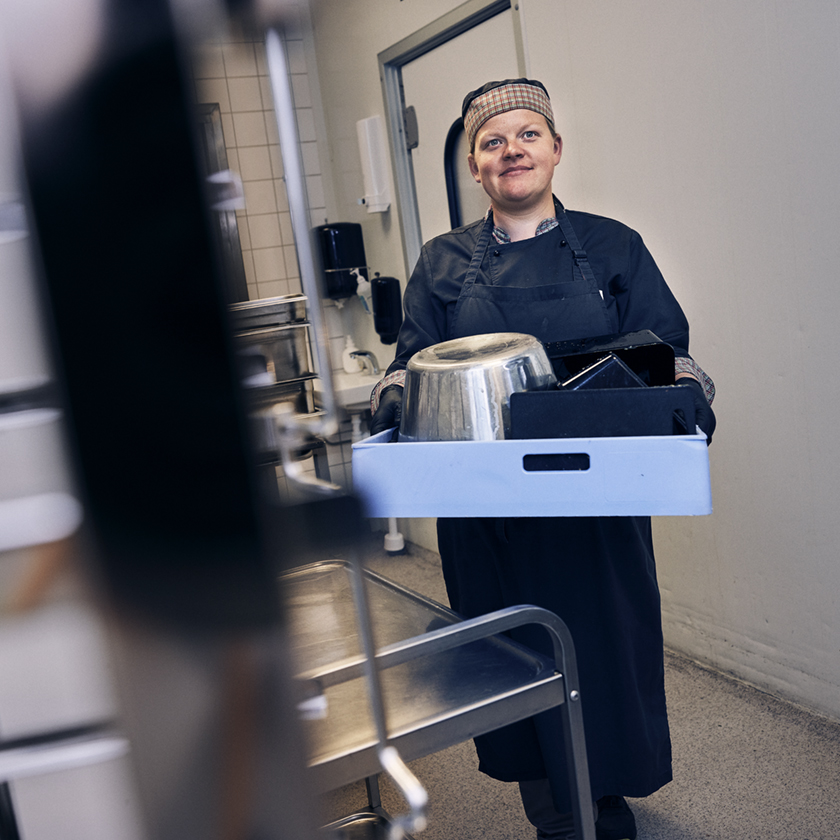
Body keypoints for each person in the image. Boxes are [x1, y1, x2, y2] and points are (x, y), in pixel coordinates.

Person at [369, 78, 715, 840]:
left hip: (595, 502)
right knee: (513, 655)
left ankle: (609, 800)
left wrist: (688, 397)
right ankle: (554, 813)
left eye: (527, 135)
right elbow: (404, 365)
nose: (510, 150)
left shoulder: (614, 245)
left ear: (555, 150)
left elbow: (671, 352)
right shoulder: (442, 261)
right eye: (491, 142)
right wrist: (391, 403)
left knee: (608, 652)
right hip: (484, 506)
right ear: (475, 167)